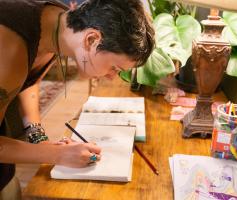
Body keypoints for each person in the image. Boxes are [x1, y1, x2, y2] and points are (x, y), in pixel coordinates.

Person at [0, 0, 155, 195]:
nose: (112, 76)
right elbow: (15, 65)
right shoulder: (10, 45)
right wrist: (56, 154)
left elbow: (26, 78)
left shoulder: (57, 23)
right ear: (91, 40)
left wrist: (37, 136)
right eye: (115, 67)